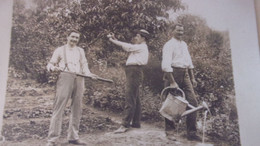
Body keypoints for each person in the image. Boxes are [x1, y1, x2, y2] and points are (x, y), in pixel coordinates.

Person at [46, 29, 98, 146]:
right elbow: (50, 64)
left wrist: (89, 74)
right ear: (67, 37)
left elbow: (84, 64)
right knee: (59, 107)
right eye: (72, 37)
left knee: (77, 107)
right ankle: (52, 139)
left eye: (76, 38)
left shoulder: (80, 51)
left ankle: (73, 137)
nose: (74, 39)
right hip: (65, 77)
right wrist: (53, 68)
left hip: (80, 78)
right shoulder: (60, 50)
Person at [161, 23, 201, 141]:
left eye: (182, 31)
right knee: (171, 103)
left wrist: (192, 78)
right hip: (173, 74)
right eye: (178, 30)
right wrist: (172, 82)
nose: (180, 33)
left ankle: (191, 133)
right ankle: (170, 132)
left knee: (193, 102)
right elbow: (166, 65)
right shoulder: (168, 45)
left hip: (185, 74)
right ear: (172, 31)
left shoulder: (184, 44)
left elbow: (189, 63)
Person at [107, 29, 149, 133]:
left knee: (130, 97)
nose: (136, 38)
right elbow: (127, 46)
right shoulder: (140, 47)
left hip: (134, 71)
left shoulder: (141, 46)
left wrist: (112, 41)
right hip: (134, 71)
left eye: (138, 36)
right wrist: (115, 39)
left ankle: (125, 125)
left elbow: (127, 46)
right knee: (135, 97)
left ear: (143, 38)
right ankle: (136, 122)